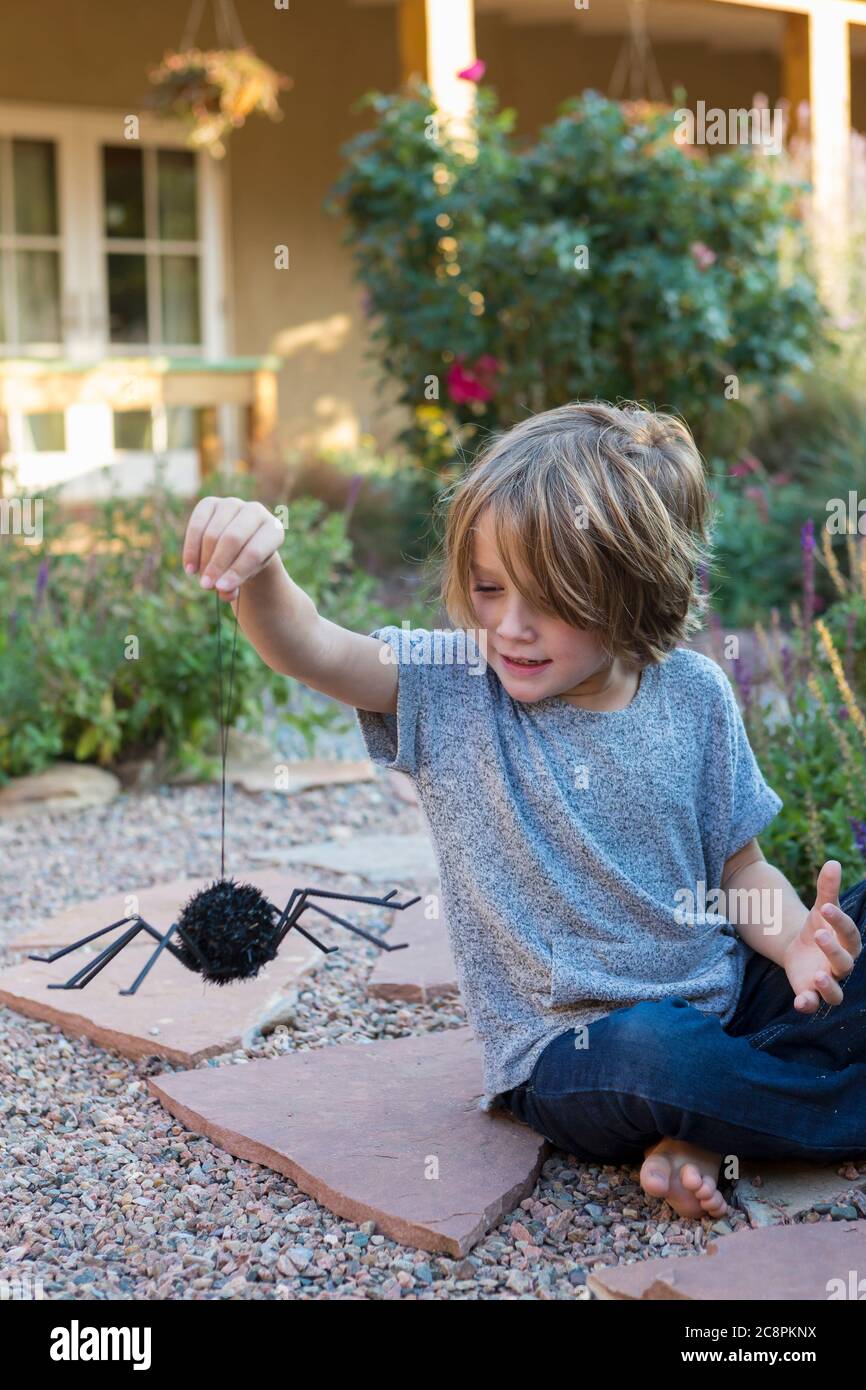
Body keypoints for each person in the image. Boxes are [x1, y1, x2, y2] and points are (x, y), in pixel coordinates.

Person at [182, 400, 866, 1220]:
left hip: (724, 1000)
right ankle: (761, 1105)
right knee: (660, 1053)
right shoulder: (455, 687)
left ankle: (724, 1125)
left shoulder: (696, 696)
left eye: (551, 600)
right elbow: (315, 646)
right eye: (487, 588)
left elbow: (739, 872)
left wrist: (796, 945)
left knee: (765, 1005)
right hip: (578, 1052)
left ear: (637, 587)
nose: (509, 626)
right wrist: (258, 574)